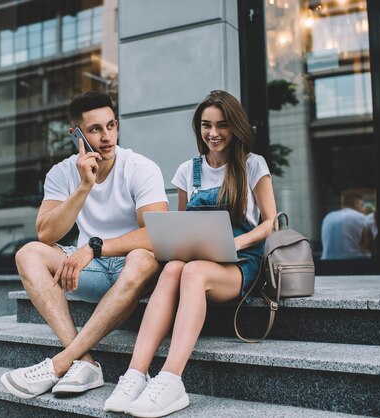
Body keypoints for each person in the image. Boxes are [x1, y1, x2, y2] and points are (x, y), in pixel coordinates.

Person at [103, 90, 277, 417]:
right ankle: (135, 375)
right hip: (198, 257)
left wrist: (233, 243)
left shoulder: (253, 165)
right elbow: (184, 227)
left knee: (193, 272)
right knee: (173, 269)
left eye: (222, 125)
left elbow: (270, 223)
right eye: (206, 125)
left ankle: (171, 380)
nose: (213, 133)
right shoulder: (187, 171)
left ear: (235, 127)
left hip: (240, 261)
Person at [0, 91, 169, 399]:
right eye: (95, 129)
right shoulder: (63, 173)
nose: (107, 137)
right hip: (89, 271)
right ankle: (86, 362)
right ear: (75, 134)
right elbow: (46, 233)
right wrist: (83, 188)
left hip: (132, 269)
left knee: (144, 258)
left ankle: (63, 361)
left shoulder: (140, 167)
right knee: (28, 254)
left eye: (111, 125)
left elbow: (158, 234)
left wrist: (94, 246)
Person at [320, 191, 369, 259]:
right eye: (362, 205)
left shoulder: (328, 217)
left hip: (326, 262)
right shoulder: (361, 218)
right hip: (351, 263)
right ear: (356, 204)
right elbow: (369, 245)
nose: (363, 209)